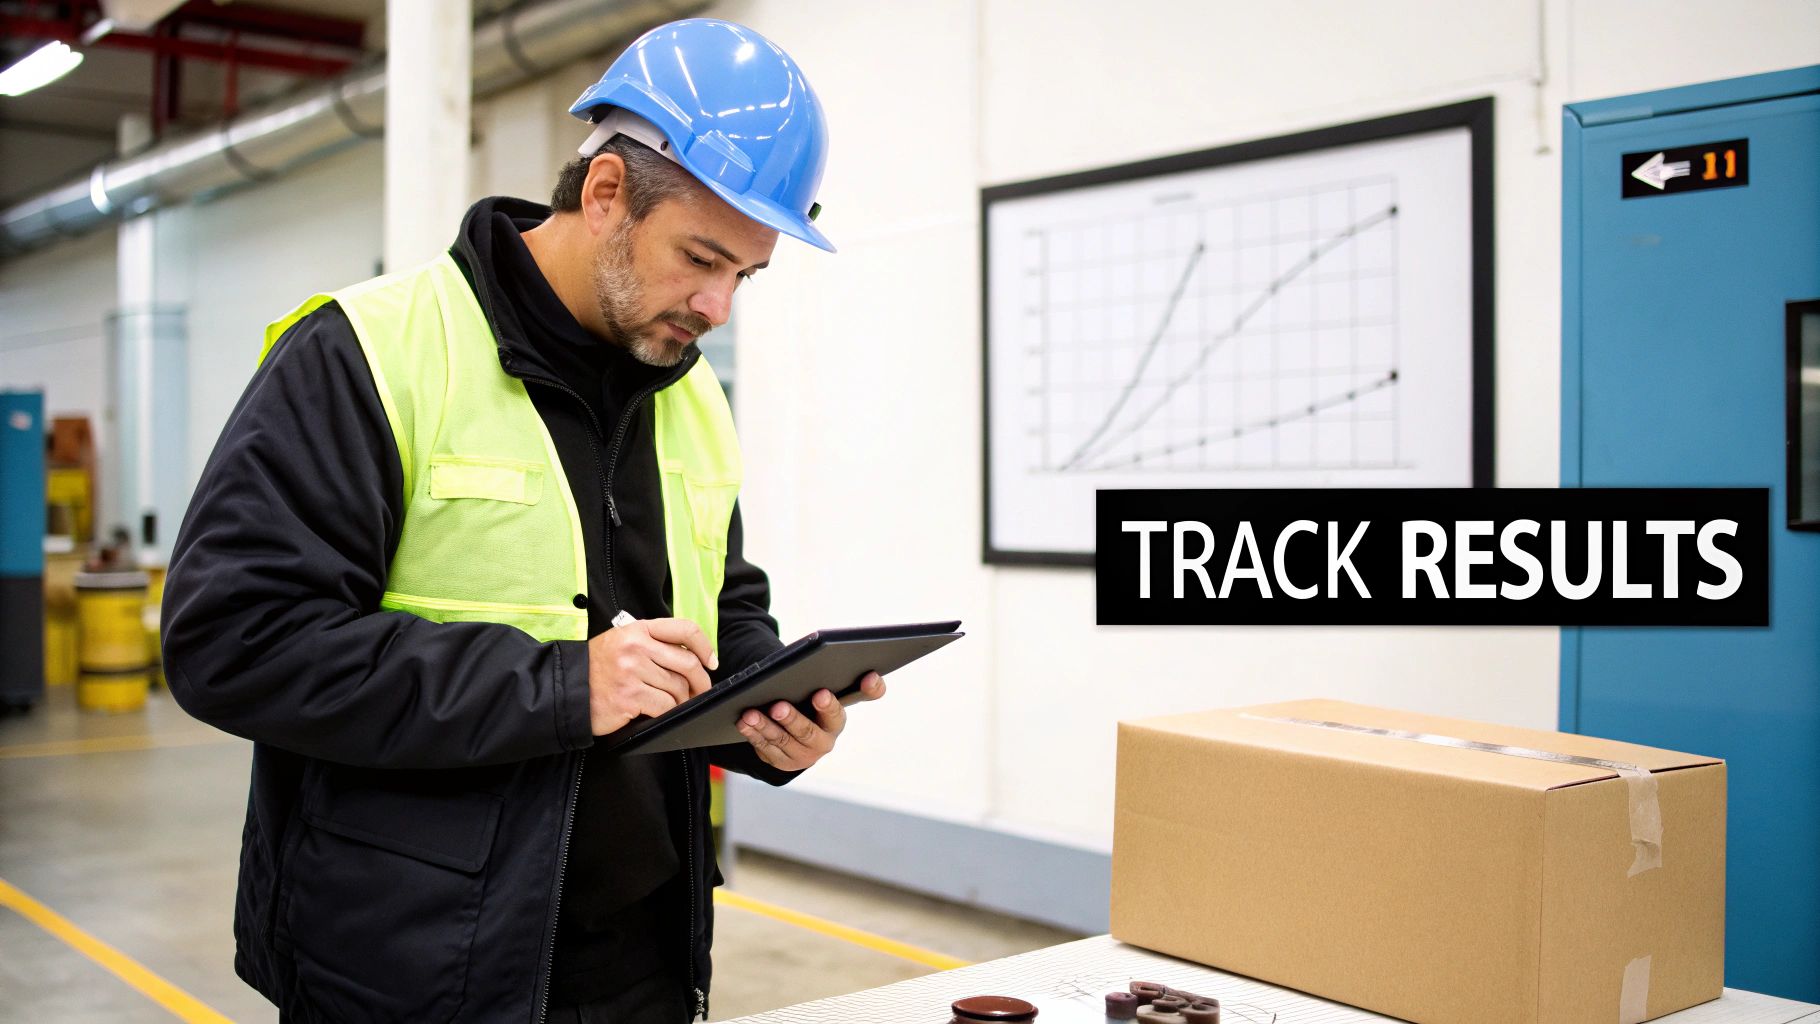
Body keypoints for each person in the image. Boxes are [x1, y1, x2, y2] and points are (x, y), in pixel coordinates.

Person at [163, 19, 877, 1023]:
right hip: (411, 967)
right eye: (701, 258)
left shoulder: (684, 390)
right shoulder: (367, 354)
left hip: (643, 954)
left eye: (744, 276)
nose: (717, 306)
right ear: (604, 196)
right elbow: (233, 640)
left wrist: (767, 714)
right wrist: (557, 685)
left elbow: (722, 598)